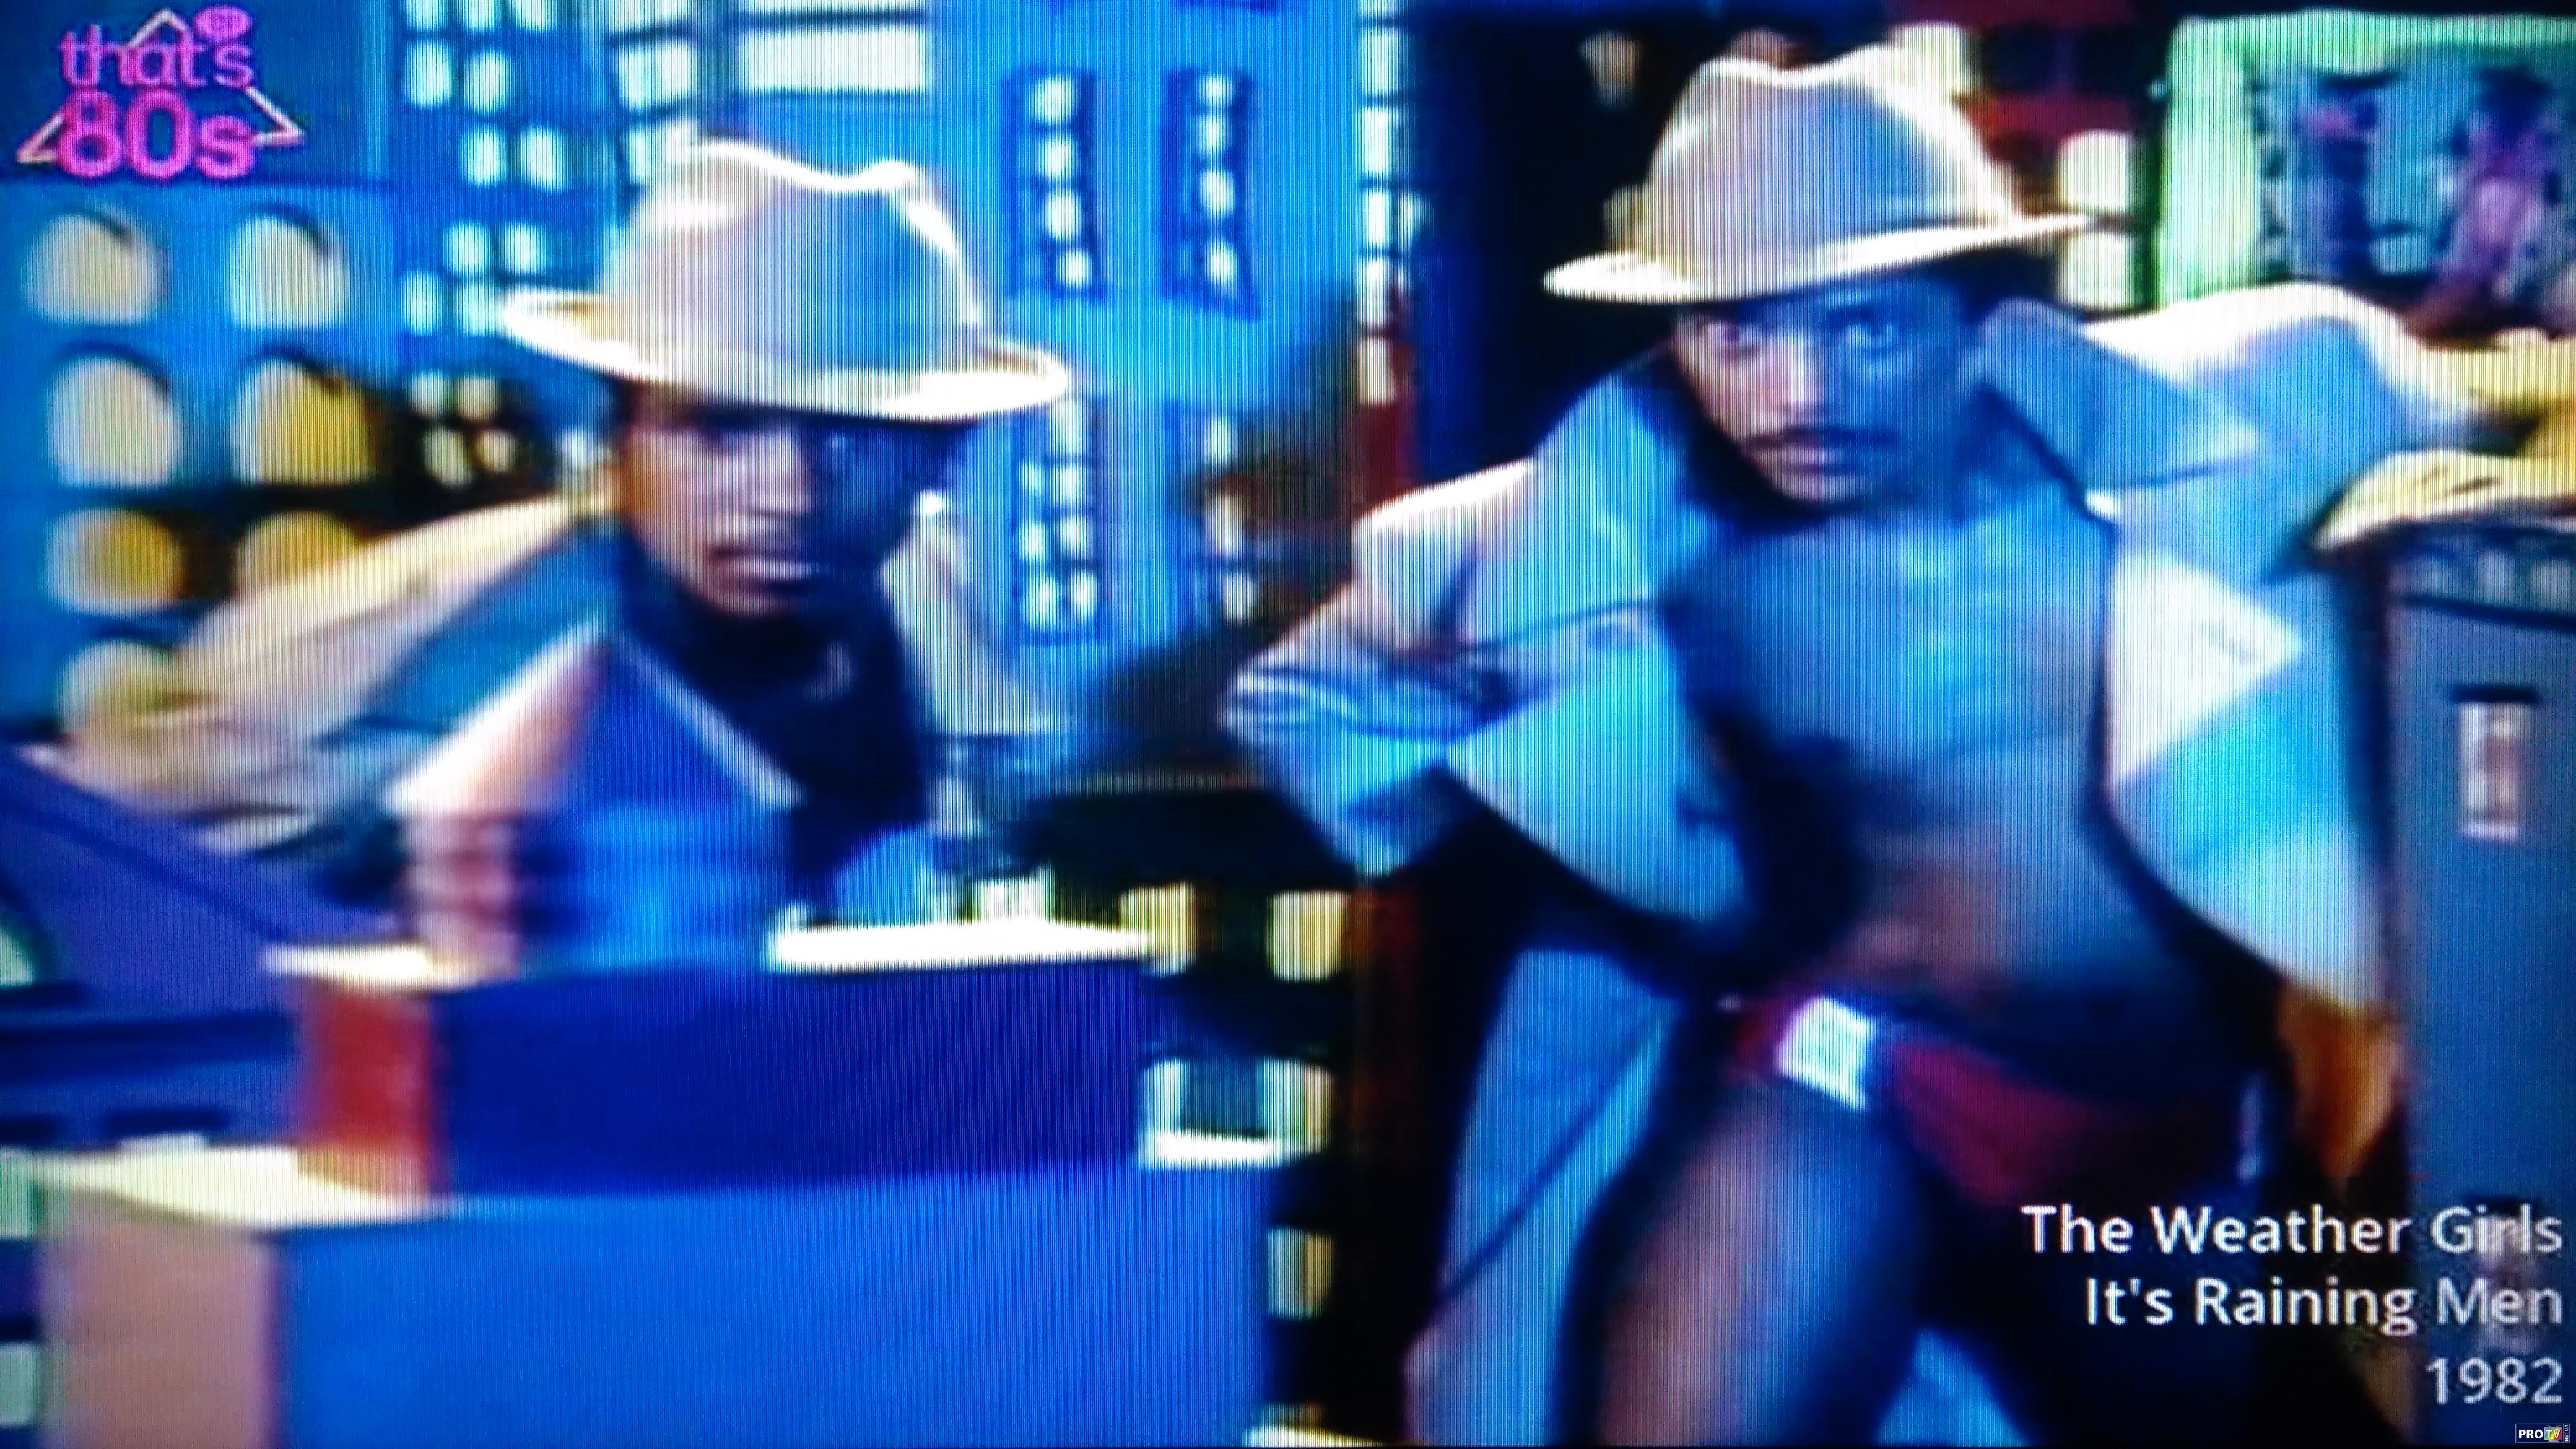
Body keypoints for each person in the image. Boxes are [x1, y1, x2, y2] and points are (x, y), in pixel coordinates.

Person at [1225, 48, 2538, 1444]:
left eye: (1862, 329)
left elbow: (2521, 424)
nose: (1796, 392)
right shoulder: (1598, 540)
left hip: (2181, 1124)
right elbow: (1303, 706)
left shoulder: (2266, 399)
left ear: (1980, 314)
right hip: (1850, 1074)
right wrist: (1652, 879)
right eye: (1735, 336)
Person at [58, 143, 1068, 918]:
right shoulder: (380, 670)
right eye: (718, 432)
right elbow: (87, 900)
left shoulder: (921, 607)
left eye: (854, 440)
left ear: (943, 461)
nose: (792, 495)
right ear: (616, 441)